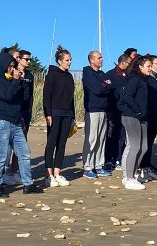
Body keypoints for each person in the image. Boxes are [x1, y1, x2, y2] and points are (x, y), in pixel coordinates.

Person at [0, 51, 42, 196]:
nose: (12, 69)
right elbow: (8, 95)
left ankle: (28, 184)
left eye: (13, 66)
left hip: (16, 122)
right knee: (0, 156)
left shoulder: (15, 80)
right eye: (9, 66)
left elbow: (24, 99)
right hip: (1, 122)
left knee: (24, 153)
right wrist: (16, 81)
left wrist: (23, 83)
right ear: (3, 66)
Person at [118, 56, 152, 190]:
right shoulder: (134, 79)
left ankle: (132, 174)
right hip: (131, 116)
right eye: (148, 66)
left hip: (142, 118)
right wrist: (137, 111)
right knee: (134, 146)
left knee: (144, 147)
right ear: (140, 67)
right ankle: (129, 178)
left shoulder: (144, 80)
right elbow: (127, 97)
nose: (150, 69)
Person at [43, 46, 75, 187]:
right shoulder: (52, 75)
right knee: (51, 143)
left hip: (67, 114)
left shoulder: (69, 76)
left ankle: (57, 173)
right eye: (67, 60)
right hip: (54, 113)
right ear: (59, 61)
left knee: (62, 144)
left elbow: (71, 98)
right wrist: (48, 114)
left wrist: (73, 115)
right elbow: (46, 96)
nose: (69, 62)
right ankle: (49, 175)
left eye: (70, 60)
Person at [81, 50, 111, 178]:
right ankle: (88, 167)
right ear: (92, 60)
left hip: (103, 110)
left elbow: (110, 87)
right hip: (92, 110)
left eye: (101, 57)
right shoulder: (88, 74)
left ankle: (98, 165)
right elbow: (97, 89)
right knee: (91, 139)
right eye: (99, 58)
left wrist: (105, 85)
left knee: (101, 139)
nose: (101, 59)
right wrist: (105, 85)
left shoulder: (102, 74)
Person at [103, 54, 131, 169]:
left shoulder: (128, 76)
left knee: (122, 136)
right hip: (111, 111)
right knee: (111, 136)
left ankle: (118, 159)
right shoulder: (110, 74)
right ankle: (109, 160)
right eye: (129, 63)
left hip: (123, 111)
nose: (130, 65)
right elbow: (105, 91)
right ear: (123, 62)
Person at [139, 54, 157, 177]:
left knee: (150, 141)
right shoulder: (147, 80)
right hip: (147, 115)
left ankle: (147, 164)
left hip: (156, 114)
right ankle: (142, 165)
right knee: (145, 142)